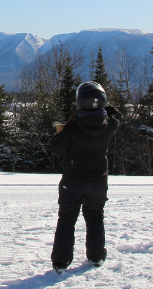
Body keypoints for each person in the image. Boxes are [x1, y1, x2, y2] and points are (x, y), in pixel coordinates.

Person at [49, 81, 122, 273]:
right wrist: (102, 103)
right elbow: (117, 115)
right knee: (95, 218)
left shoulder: (72, 127)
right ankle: (96, 256)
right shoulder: (109, 125)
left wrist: (60, 132)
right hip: (98, 182)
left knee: (66, 220)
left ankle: (61, 262)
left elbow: (56, 150)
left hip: (73, 182)